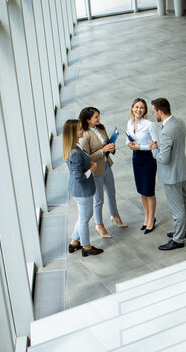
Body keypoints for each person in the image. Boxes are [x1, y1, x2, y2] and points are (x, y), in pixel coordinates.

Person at [149, 98, 186, 250]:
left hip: (171, 175)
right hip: (181, 169)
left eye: (154, 111)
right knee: (184, 201)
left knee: (177, 209)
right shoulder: (179, 122)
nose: (153, 114)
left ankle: (178, 240)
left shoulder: (167, 131)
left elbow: (163, 159)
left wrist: (154, 148)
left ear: (160, 112)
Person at [78, 106, 127, 239]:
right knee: (98, 199)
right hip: (96, 170)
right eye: (96, 117)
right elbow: (86, 158)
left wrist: (111, 148)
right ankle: (99, 224)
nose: (99, 118)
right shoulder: (85, 136)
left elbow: (106, 144)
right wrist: (103, 150)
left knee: (111, 192)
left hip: (106, 165)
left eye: (99, 116)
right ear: (88, 120)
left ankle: (115, 214)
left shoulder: (101, 128)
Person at [62, 119, 104, 257]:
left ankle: (74, 242)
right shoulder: (75, 152)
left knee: (83, 217)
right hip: (82, 190)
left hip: (80, 190)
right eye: (80, 129)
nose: (82, 130)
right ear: (73, 132)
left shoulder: (74, 147)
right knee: (85, 219)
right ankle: (86, 247)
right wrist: (91, 168)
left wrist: (88, 164)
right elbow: (79, 177)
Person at [126, 98, 158, 233]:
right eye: (136, 107)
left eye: (142, 108)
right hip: (136, 158)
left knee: (149, 191)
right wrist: (129, 145)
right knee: (141, 191)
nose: (138, 110)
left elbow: (156, 144)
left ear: (145, 111)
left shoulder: (149, 125)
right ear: (132, 108)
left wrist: (140, 147)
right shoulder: (129, 122)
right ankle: (146, 216)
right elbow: (126, 139)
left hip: (148, 159)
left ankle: (151, 219)